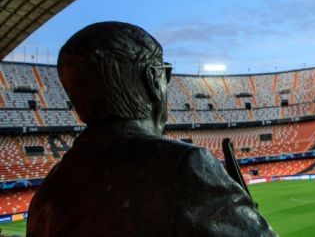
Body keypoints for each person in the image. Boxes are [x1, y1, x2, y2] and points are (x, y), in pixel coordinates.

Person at [27, 22, 277, 237]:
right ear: (151, 81)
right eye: (165, 75)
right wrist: (247, 218)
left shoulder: (48, 191)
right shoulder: (184, 166)